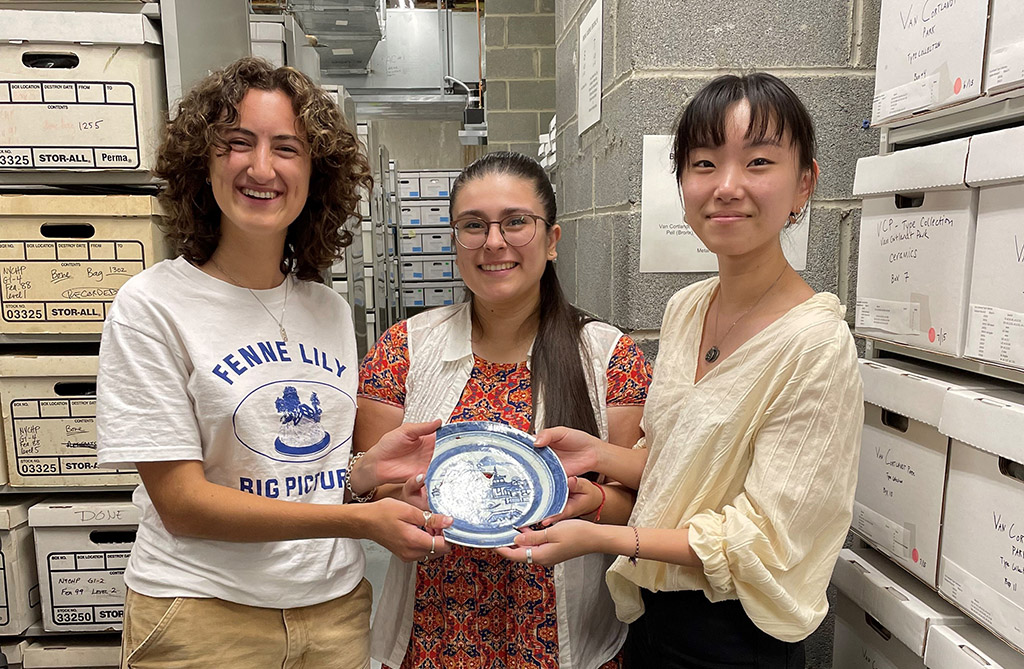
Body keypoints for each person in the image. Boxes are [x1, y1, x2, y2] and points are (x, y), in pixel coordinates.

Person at [498, 73, 864, 668]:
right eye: (703, 163)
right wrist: (595, 454)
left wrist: (605, 537)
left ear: (805, 184)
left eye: (758, 162)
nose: (726, 186)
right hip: (651, 614)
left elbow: (766, 540)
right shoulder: (689, 308)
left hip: (736, 636)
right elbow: (673, 460)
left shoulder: (816, 344)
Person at [95, 57, 451, 669]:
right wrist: (360, 526)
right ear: (202, 162)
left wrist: (361, 476)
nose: (261, 168)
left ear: (316, 173)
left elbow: (305, 475)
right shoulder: (152, 305)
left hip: (334, 610)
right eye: (238, 143)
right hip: (204, 615)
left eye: (287, 148)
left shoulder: (328, 310)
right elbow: (183, 505)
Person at [352, 151, 653, 669]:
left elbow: (641, 505)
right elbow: (365, 485)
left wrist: (592, 503)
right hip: (433, 633)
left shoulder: (609, 357)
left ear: (552, 240)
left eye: (516, 222)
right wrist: (397, 499)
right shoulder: (403, 349)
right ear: (455, 243)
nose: (494, 242)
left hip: (562, 638)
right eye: (473, 226)